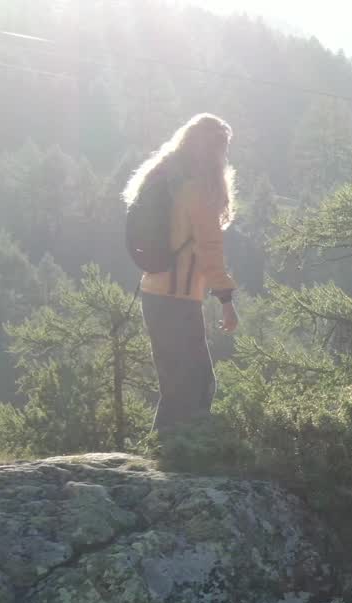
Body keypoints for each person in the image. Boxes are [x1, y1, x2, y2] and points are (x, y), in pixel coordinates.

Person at [122, 114, 239, 433]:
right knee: (196, 386)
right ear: (213, 151)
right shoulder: (197, 191)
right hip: (177, 299)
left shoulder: (165, 178)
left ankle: (169, 455)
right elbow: (210, 250)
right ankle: (175, 460)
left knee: (178, 385)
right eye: (223, 149)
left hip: (155, 294)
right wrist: (226, 301)